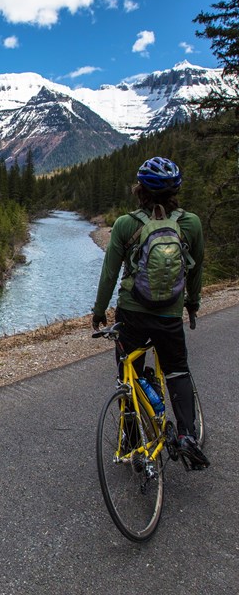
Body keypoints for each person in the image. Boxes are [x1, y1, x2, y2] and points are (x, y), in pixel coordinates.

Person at [91, 156, 209, 469]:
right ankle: (186, 436)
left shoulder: (126, 224)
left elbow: (109, 274)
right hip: (169, 316)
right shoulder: (191, 224)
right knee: (177, 371)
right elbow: (194, 271)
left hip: (132, 314)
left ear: (140, 190)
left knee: (127, 377)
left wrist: (99, 311)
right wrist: (192, 303)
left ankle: (131, 441)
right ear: (176, 191)